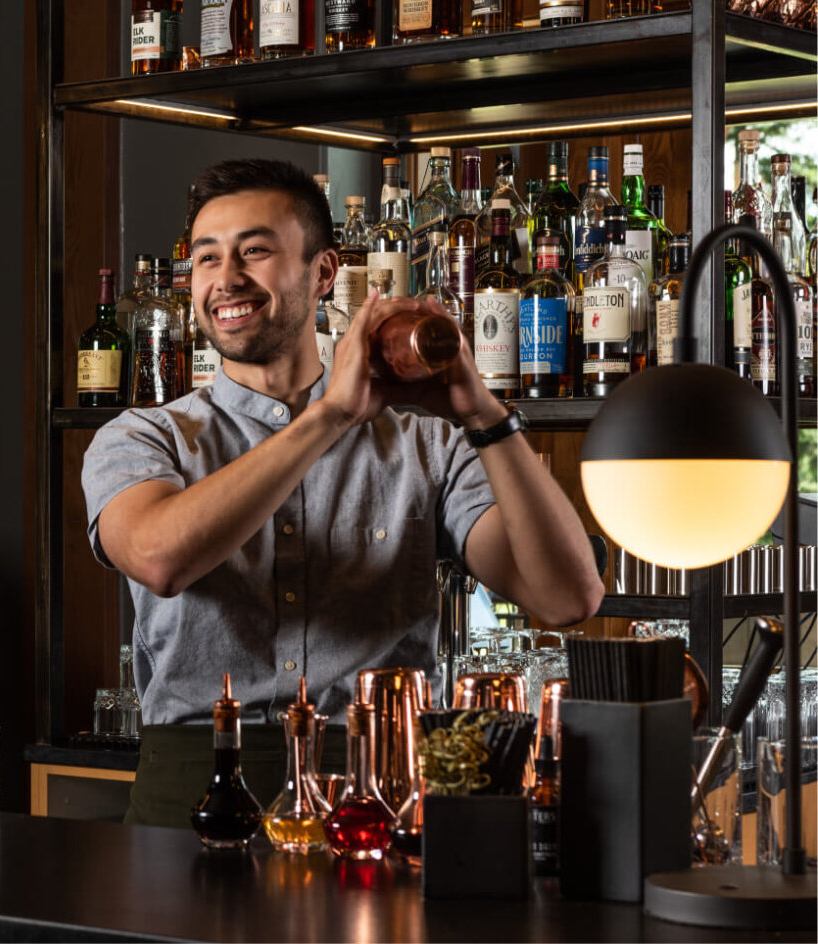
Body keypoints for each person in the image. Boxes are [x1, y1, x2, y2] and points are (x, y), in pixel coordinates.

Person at [82, 158, 603, 827]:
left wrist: (483, 414)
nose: (226, 279)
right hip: (193, 795)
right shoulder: (143, 437)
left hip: (379, 792)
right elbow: (159, 558)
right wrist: (327, 417)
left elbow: (566, 598)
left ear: (323, 273)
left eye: (256, 251)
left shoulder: (428, 445)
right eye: (207, 259)